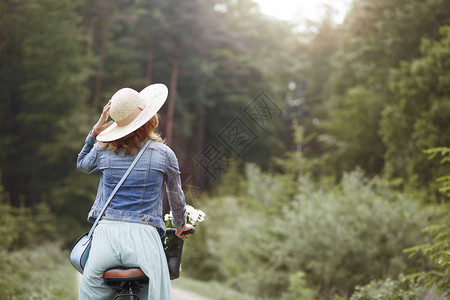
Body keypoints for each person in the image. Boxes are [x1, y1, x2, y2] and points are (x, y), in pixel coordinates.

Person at [77, 83, 193, 300]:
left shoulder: (102, 151)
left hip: (105, 238)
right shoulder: (165, 154)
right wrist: (180, 225)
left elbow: (82, 164)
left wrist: (95, 131)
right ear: (150, 118)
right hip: (144, 239)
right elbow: (176, 196)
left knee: (90, 294)